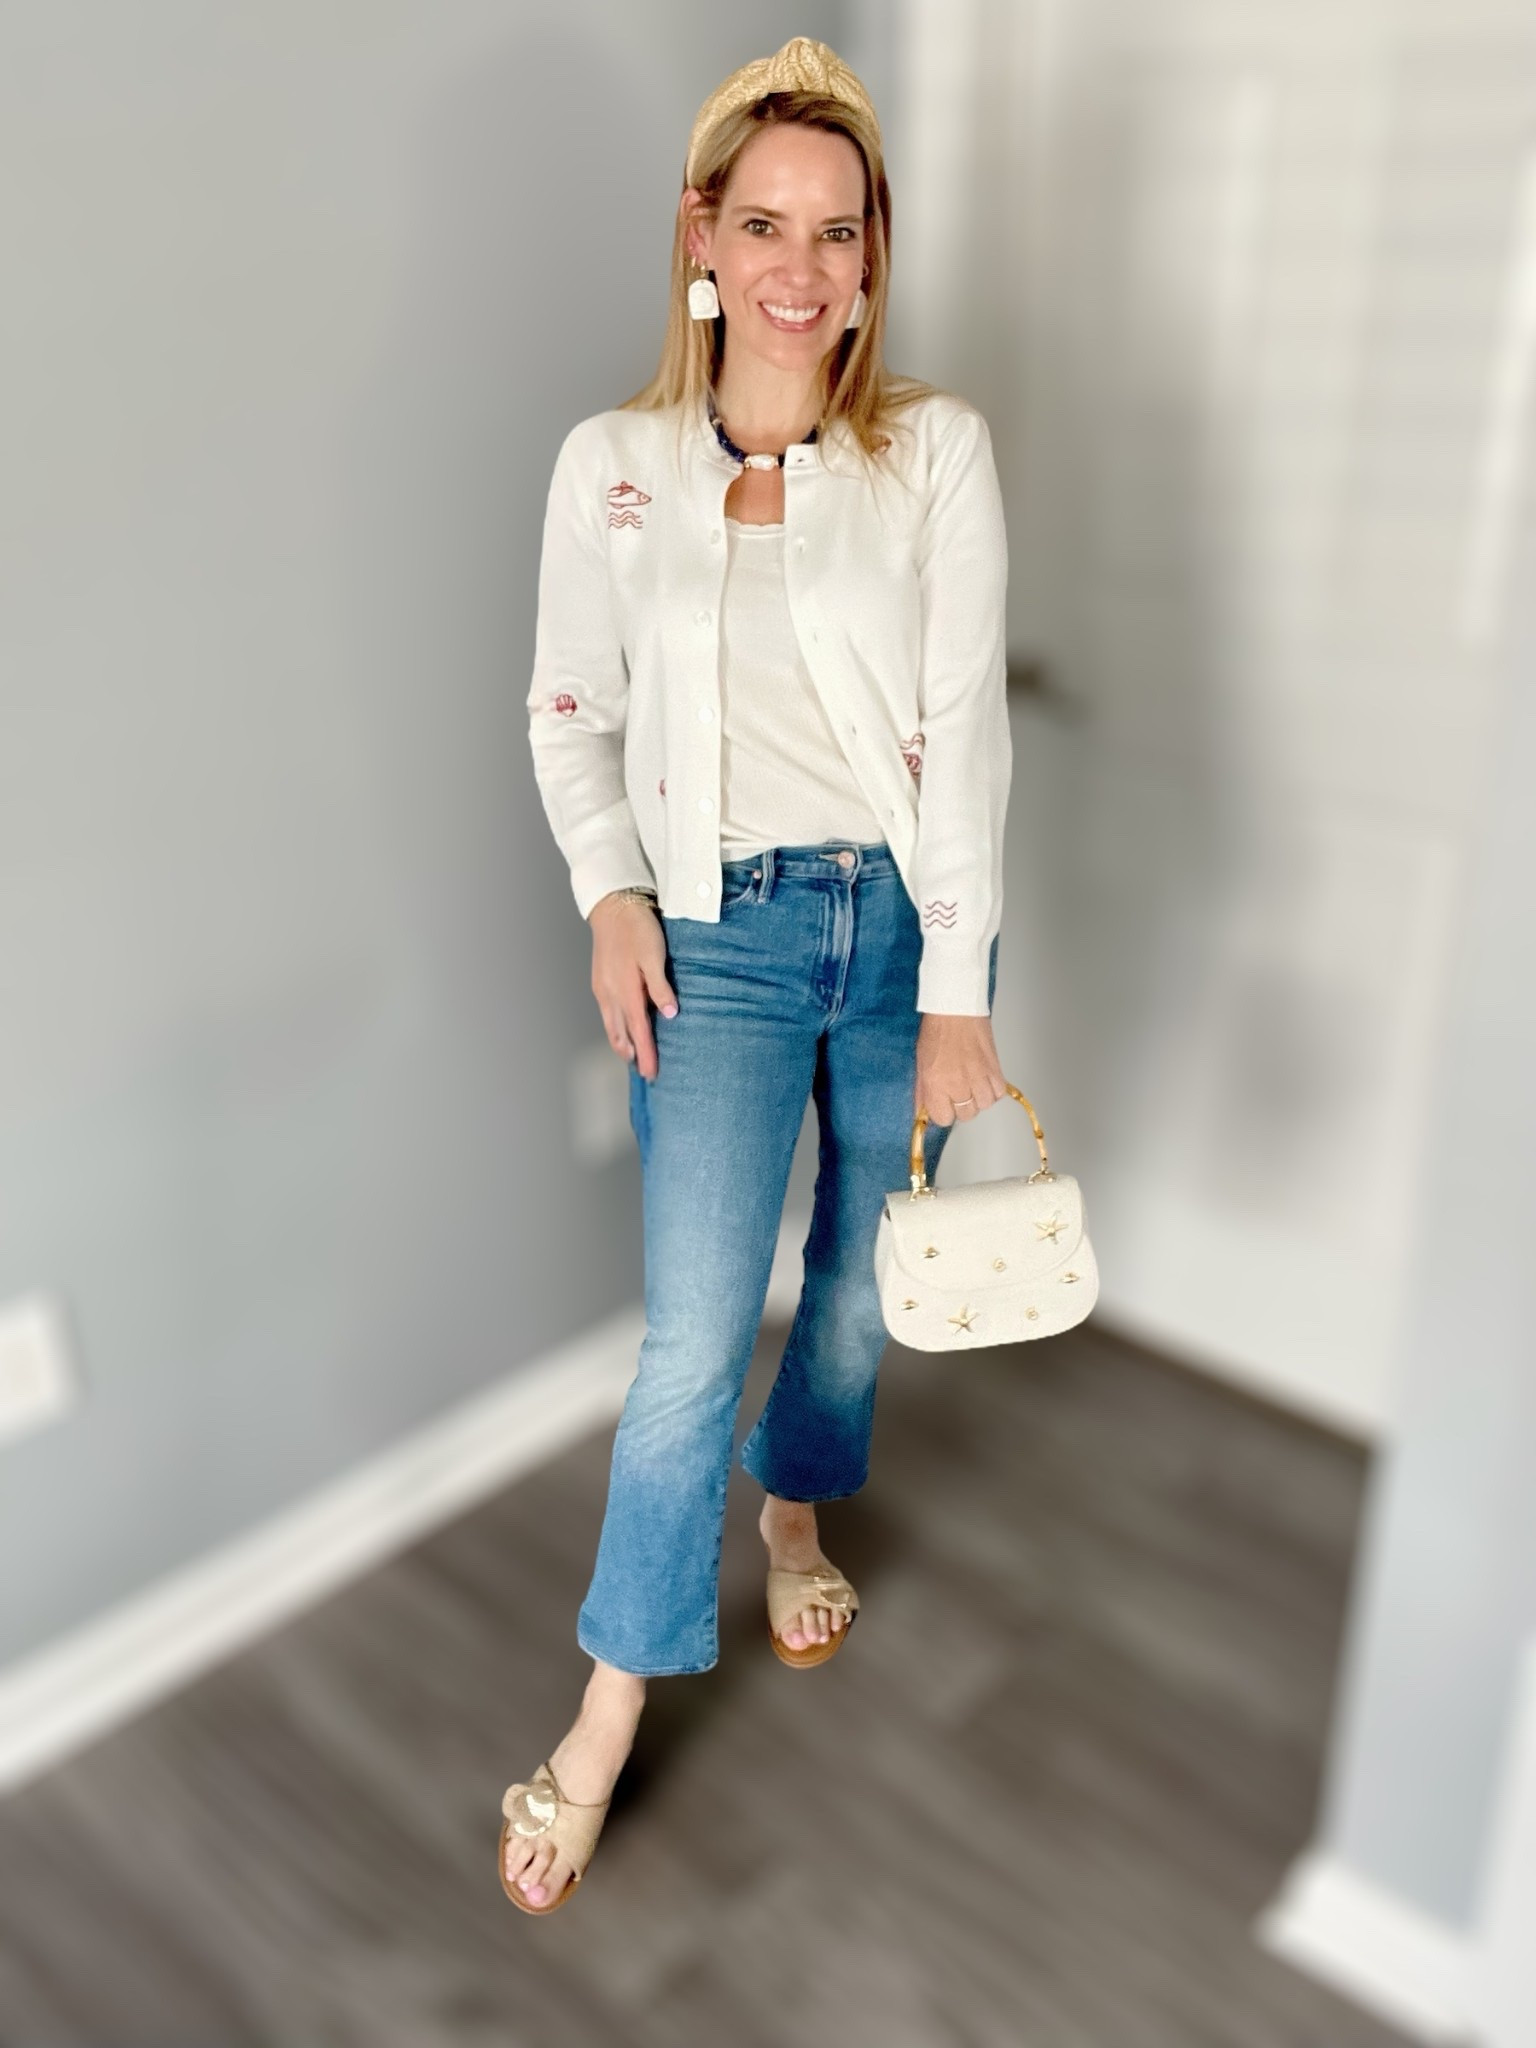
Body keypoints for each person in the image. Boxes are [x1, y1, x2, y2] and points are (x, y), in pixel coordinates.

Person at [500, 35, 1012, 1913]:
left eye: (839, 230)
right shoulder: (613, 470)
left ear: (874, 262)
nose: (800, 265)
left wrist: (957, 985)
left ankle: (792, 1510)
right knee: (691, 1337)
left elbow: (964, 736)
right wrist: (607, 893)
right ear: (701, 239)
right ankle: (609, 1708)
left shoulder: (932, 455)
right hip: (708, 942)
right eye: (764, 221)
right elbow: (570, 711)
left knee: (860, 1297)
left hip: (894, 935)